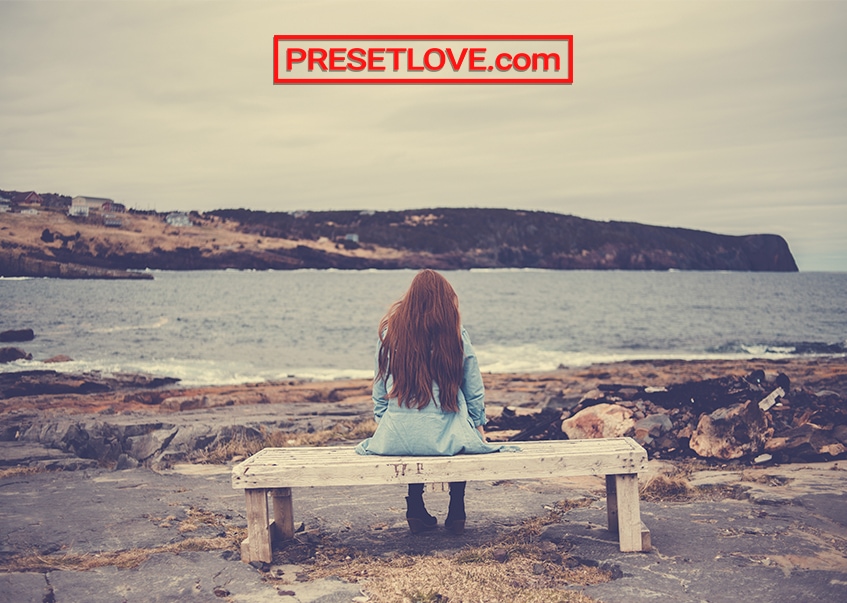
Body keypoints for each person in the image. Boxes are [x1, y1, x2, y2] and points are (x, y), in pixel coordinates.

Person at [355, 269, 503, 535]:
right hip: (448, 429)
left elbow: (380, 381)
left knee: (414, 440)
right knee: (460, 442)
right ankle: (457, 508)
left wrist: (382, 419)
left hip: (400, 432)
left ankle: (415, 507)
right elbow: (473, 384)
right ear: (446, 300)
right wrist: (479, 424)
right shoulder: (455, 333)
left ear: (411, 299)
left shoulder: (391, 332)